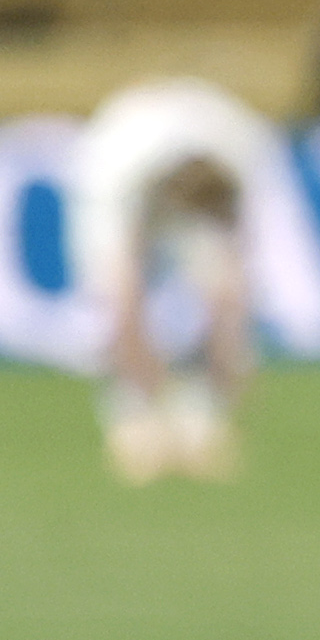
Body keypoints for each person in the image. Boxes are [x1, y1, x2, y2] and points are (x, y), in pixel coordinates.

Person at [68, 74, 294, 483]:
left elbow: (231, 289)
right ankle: (131, 415)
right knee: (113, 306)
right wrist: (146, 385)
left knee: (219, 286)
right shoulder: (116, 171)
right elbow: (123, 300)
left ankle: (199, 416)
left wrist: (229, 371)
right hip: (121, 168)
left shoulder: (244, 147)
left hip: (190, 164)